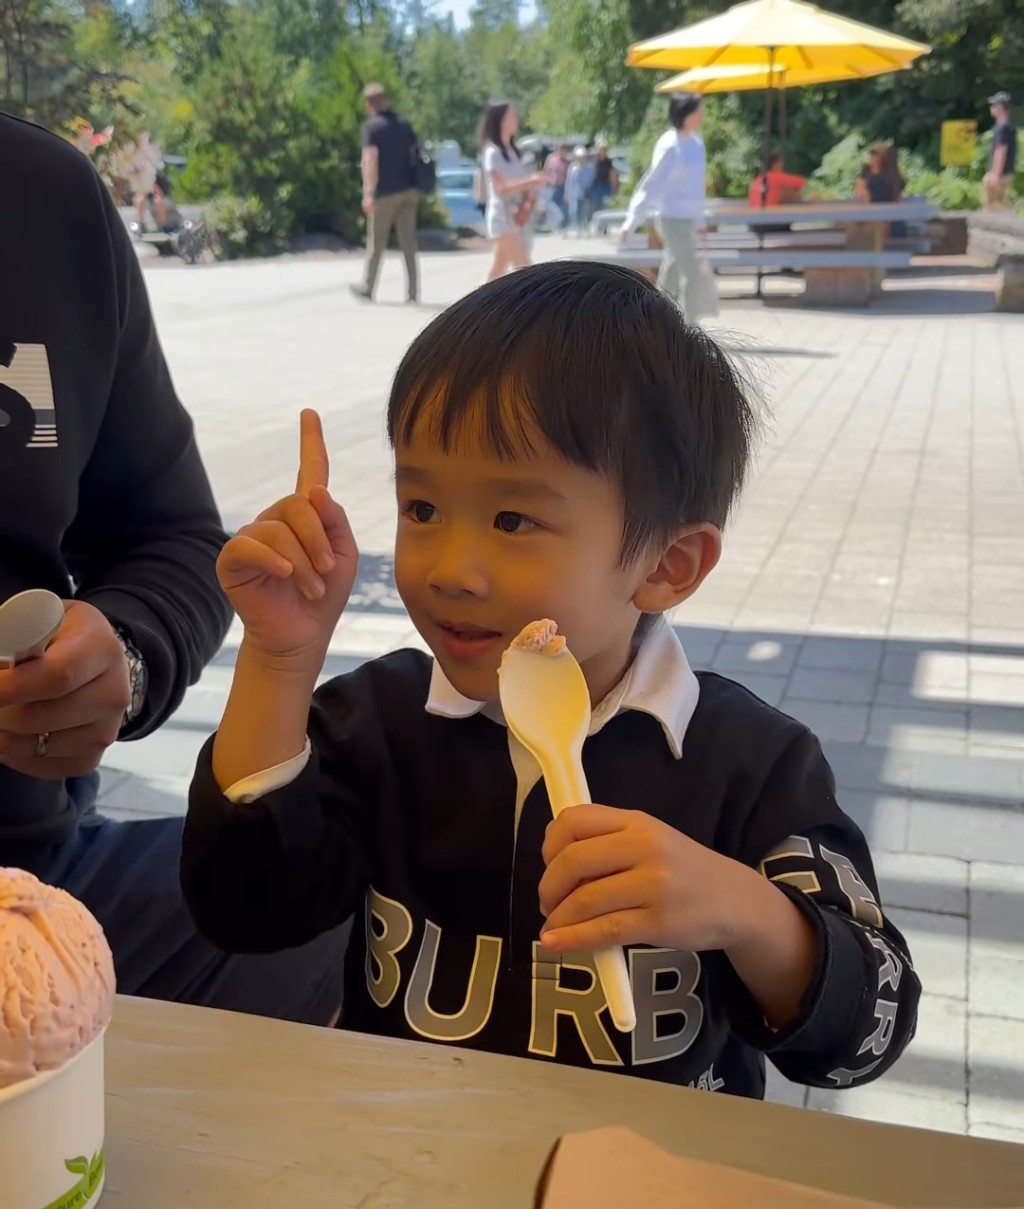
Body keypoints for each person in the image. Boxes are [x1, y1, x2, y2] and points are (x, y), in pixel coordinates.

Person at [181, 259, 920, 1100]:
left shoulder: (749, 764)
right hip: (407, 1169)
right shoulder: (374, 725)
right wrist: (279, 661)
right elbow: (241, 910)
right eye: (422, 508)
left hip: (648, 1187)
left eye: (512, 519)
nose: (452, 569)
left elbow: (868, 1036)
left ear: (666, 565)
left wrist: (747, 912)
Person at [0, 113, 342, 1025]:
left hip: (34, 877)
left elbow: (175, 536)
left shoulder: (43, 197)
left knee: (386, 910)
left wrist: (123, 659)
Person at [621, 94, 707, 319]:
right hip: (672, 218)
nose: (702, 116)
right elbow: (652, 183)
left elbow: (697, 189)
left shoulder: (697, 144)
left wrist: (700, 221)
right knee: (690, 271)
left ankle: (654, 316)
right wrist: (632, 220)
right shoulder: (670, 144)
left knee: (674, 268)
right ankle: (690, 327)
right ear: (685, 114)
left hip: (689, 219)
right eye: (698, 111)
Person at [351, 83, 420, 305]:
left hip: (385, 193)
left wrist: (368, 192)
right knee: (408, 243)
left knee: (377, 243)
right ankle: (412, 292)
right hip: (409, 191)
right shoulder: (403, 124)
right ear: (386, 101)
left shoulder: (373, 128)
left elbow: (370, 159)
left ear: (368, 105)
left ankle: (368, 288)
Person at [478, 101, 547, 281]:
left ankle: (481, 308)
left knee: (496, 273)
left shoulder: (514, 152)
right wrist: (531, 180)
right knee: (525, 271)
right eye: (512, 116)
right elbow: (501, 188)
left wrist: (530, 198)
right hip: (502, 218)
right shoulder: (492, 153)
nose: (516, 119)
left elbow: (521, 186)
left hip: (516, 218)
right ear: (500, 120)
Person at [984, 92, 1017, 212]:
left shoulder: (1002, 127)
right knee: (998, 203)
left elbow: (1001, 151)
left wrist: (995, 174)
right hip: (1007, 171)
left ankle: (1015, 215)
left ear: (1001, 107)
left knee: (992, 204)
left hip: (1000, 173)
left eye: (994, 105)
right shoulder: (1009, 125)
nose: (991, 108)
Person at [565, 146, 593, 236]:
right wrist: (567, 193)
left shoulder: (589, 168)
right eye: (579, 157)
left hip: (585, 194)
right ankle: (577, 229)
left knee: (585, 212)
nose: (581, 159)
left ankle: (585, 229)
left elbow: (590, 180)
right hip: (575, 193)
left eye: (582, 157)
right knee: (574, 212)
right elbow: (569, 181)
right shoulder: (573, 168)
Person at [590, 141, 619, 213]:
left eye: (604, 150)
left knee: (605, 205)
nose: (602, 152)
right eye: (601, 150)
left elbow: (612, 175)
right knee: (597, 206)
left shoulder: (609, 163)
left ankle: (605, 222)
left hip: (605, 186)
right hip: (597, 187)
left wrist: (614, 189)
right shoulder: (595, 162)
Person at [543, 143, 570, 221]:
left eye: (564, 150)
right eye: (560, 149)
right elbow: (546, 171)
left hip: (562, 187)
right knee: (550, 205)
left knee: (561, 206)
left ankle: (562, 224)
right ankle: (551, 222)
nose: (562, 151)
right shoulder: (551, 159)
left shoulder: (567, 163)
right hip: (552, 186)